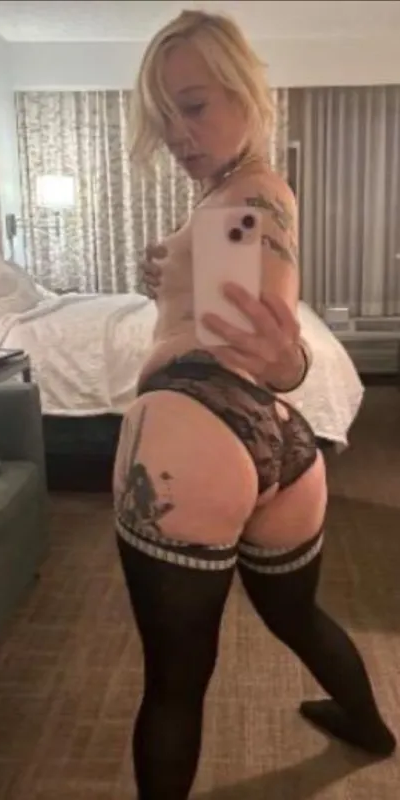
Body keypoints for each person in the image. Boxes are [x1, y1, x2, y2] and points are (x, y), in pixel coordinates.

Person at [113, 9, 396, 799]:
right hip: (282, 449)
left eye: (194, 105)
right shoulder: (230, 197)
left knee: (175, 680)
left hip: (191, 435)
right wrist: (171, 271)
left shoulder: (252, 195)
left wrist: (287, 360)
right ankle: (369, 726)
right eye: (164, 116)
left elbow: (256, 325)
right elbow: (228, 314)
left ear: (245, 91)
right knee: (295, 616)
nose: (177, 133)